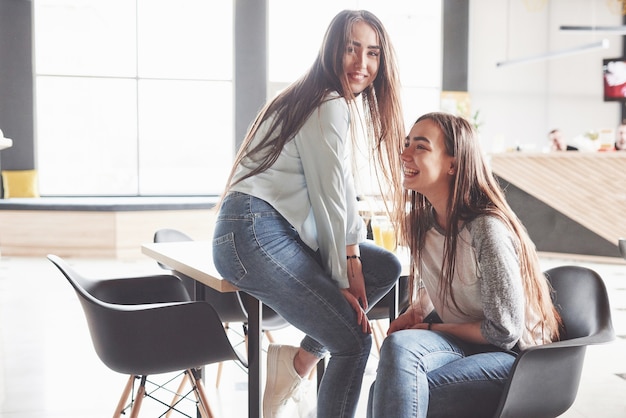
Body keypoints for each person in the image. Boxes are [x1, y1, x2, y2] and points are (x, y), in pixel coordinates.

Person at [211, 10, 405, 418]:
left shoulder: (316, 97)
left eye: (372, 53)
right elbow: (330, 198)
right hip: (255, 232)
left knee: (385, 266)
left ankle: (296, 364)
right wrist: (344, 272)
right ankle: (297, 366)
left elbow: (340, 189)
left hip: (261, 230)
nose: (362, 64)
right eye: (351, 49)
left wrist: (353, 258)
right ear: (331, 50)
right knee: (354, 340)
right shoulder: (327, 100)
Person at [367, 112, 562, 418]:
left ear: (453, 164)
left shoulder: (486, 228)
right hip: (463, 343)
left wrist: (430, 325)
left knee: (390, 392)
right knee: (397, 350)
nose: (404, 154)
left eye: (420, 147)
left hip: (518, 358)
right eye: (407, 145)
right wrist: (417, 311)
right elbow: (444, 276)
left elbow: (504, 332)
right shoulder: (418, 225)